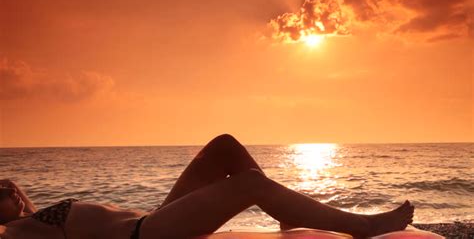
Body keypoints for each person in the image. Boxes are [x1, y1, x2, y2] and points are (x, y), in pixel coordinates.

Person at [0, 133, 414, 239]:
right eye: (3, 193)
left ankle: (289, 214)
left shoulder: (29, 217)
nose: (12, 190)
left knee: (223, 148)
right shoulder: (15, 233)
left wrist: (13, 192)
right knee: (249, 184)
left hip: (153, 219)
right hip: (143, 236)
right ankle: (363, 226)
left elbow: (17, 198)